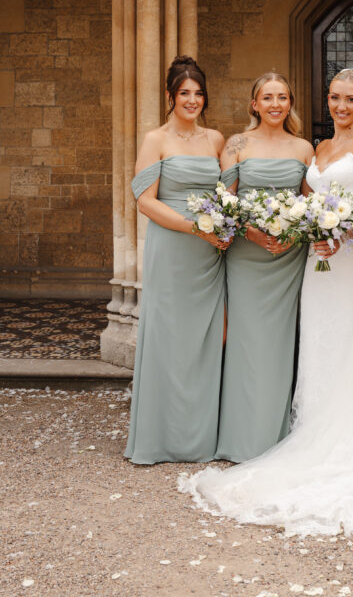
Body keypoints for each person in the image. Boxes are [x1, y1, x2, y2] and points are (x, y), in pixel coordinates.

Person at [179, 68, 353, 536]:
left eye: (349, 99)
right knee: (318, 344)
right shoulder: (318, 149)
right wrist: (314, 228)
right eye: (334, 98)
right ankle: (312, 430)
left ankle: (347, 439)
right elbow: (310, 202)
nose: (340, 106)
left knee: (351, 344)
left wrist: (342, 233)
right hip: (319, 267)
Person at [125, 56, 228, 464]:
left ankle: (200, 436)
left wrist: (219, 228)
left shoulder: (215, 140)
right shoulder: (155, 139)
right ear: (170, 96)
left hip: (209, 254)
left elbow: (226, 194)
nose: (192, 100)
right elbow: (144, 202)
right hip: (173, 247)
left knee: (205, 339)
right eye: (184, 93)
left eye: (198, 93)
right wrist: (193, 227)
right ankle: (161, 437)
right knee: (169, 339)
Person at [215, 73, 313, 462]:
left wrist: (294, 234)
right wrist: (251, 233)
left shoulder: (305, 148)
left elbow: (311, 205)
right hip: (247, 254)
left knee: (280, 343)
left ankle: (278, 435)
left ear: (290, 103)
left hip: (288, 257)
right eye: (267, 97)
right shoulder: (236, 144)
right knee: (247, 340)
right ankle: (242, 435)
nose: (275, 104)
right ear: (254, 104)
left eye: (282, 97)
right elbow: (223, 202)